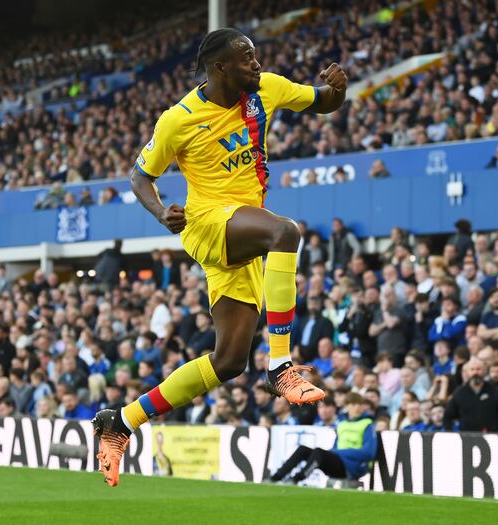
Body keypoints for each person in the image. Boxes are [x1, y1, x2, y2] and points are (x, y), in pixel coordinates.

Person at [93, 28, 347, 487]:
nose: (257, 63)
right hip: (207, 221)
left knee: (228, 361)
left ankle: (122, 421)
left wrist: (337, 90)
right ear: (220, 67)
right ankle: (282, 367)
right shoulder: (180, 118)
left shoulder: (266, 88)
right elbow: (139, 176)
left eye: (256, 56)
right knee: (285, 233)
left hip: (241, 232)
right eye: (246, 58)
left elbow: (323, 101)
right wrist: (158, 211)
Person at [268, 393, 376, 484]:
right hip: (339, 462)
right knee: (303, 449)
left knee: (319, 452)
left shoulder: (368, 424)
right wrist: (336, 452)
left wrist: (339, 453)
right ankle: (276, 477)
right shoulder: (342, 424)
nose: (356, 407)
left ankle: (296, 480)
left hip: (354, 466)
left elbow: (368, 453)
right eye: (353, 404)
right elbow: (335, 446)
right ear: (347, 407)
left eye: (359, 404)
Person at [443, 358, 498, 432]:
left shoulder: (494, 391)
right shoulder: (459, 393)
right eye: (472, 369)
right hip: (467, 439)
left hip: (491, 439)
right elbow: (447, 416)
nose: (475, 372)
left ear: (485, 371)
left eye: (478, 369)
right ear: (467, 372)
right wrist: (451, 434)